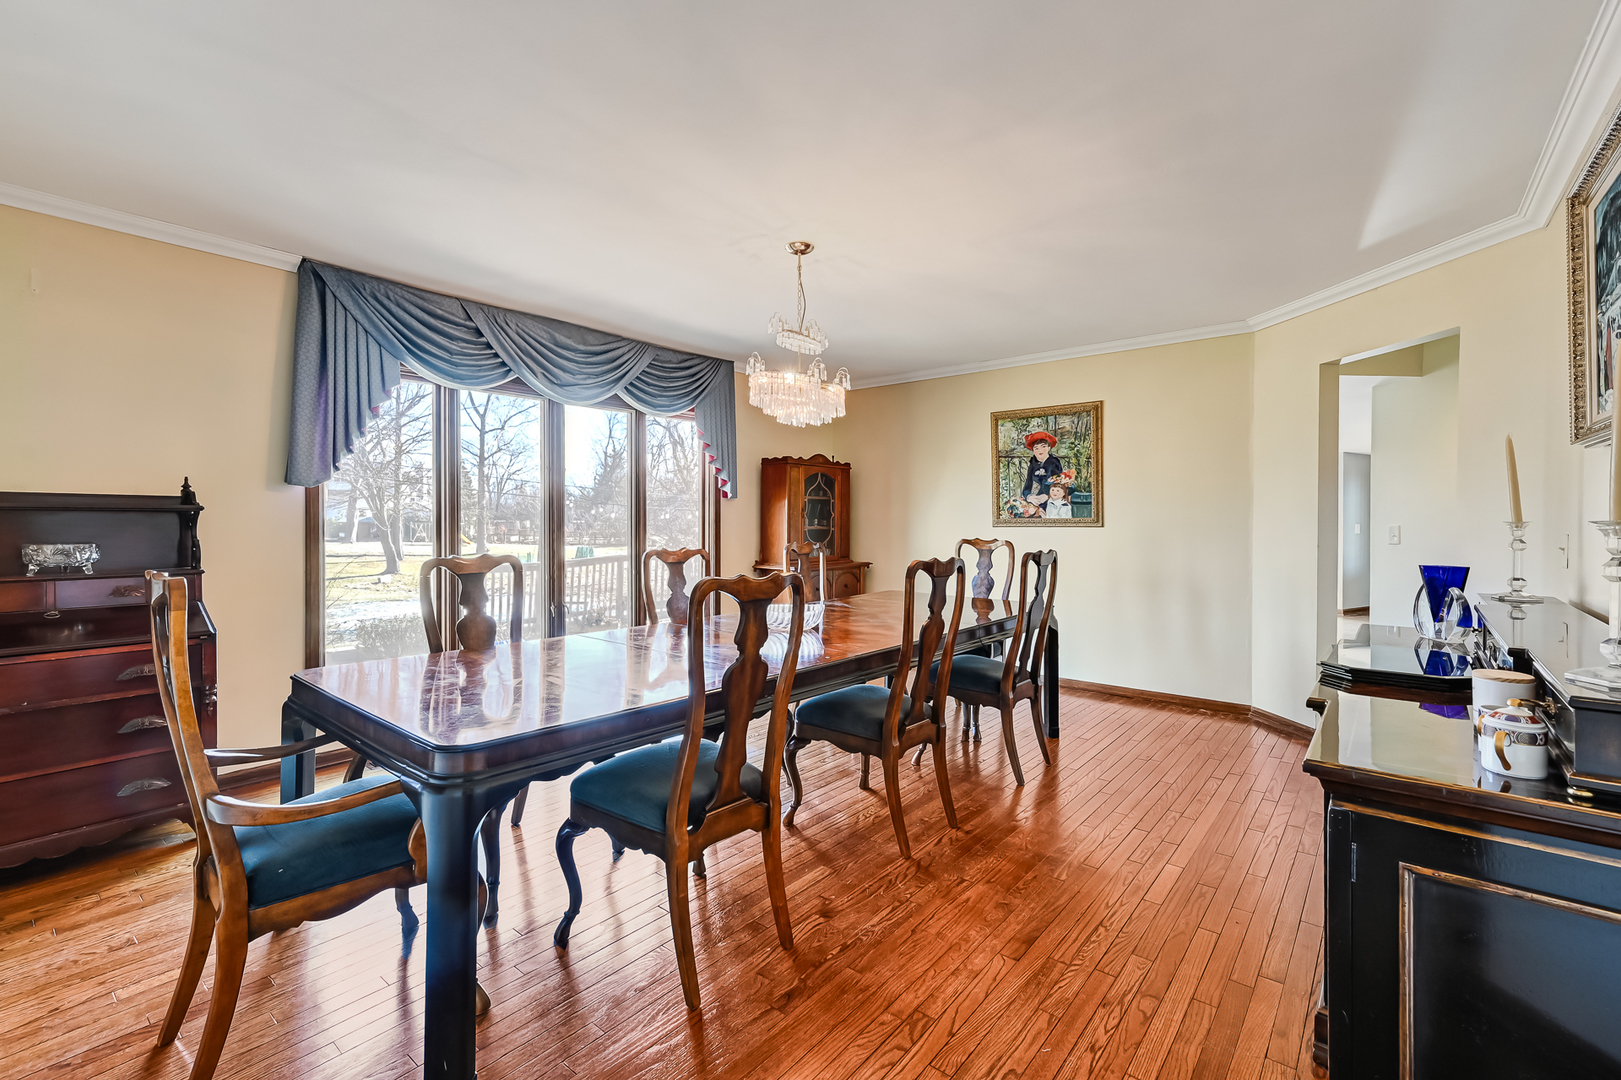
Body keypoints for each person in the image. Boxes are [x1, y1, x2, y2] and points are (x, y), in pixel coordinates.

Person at [1020, 431, 1064, 509]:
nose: (1040, 450)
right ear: (1033, 450)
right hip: (1035, 500)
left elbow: (1059, 484)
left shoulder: (1054, 462)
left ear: (1049, 447)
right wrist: (1029, 497)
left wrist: (1048, 496)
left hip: (1051, 500)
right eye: (1036, 448)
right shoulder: (1033, 463)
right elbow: (1028, 483)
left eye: (1043, 446)